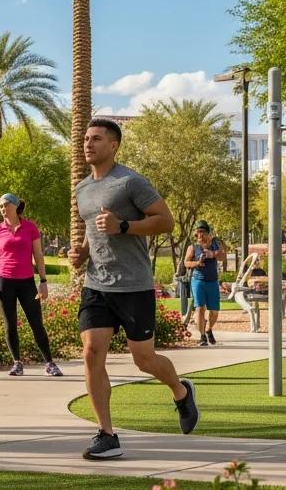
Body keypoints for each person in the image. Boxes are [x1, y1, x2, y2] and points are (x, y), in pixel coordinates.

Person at [69, 118, 200, 460]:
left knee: (144, 359)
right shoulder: (82, 189)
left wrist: (123, 225)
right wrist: (81, 253)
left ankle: (180, 390)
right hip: (96, 283)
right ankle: (106, 434)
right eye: (85, 138)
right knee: (91, 351)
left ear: (113, 145)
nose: (88, 144)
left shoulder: (130, 182)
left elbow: (165, 220)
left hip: (134, 285)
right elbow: (91, 230)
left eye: (95, 138)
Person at [0, 192, 62, 377]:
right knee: (10, 324)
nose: (3, 209)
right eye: (1, 206)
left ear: (15, 206)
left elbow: (38, 255)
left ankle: (49, 363)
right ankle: (17, 363)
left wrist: (43, 281)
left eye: (6, 205)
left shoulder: (30, 228)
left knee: (36, 322)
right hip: (3, 282)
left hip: (27, 281)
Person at [184, 220, 226, 346]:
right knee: (200, 308)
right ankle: (202, 336)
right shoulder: (192, 247)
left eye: (202, 231)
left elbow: (223, 257)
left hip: (212, 281)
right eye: (198, 231)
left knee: (214, 311)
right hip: (198, 281)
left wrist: (212, 254)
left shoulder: (215, 244)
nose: (200, 234)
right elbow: (186, 263)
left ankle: (208, 329)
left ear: (208, 233)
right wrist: (197, 263)